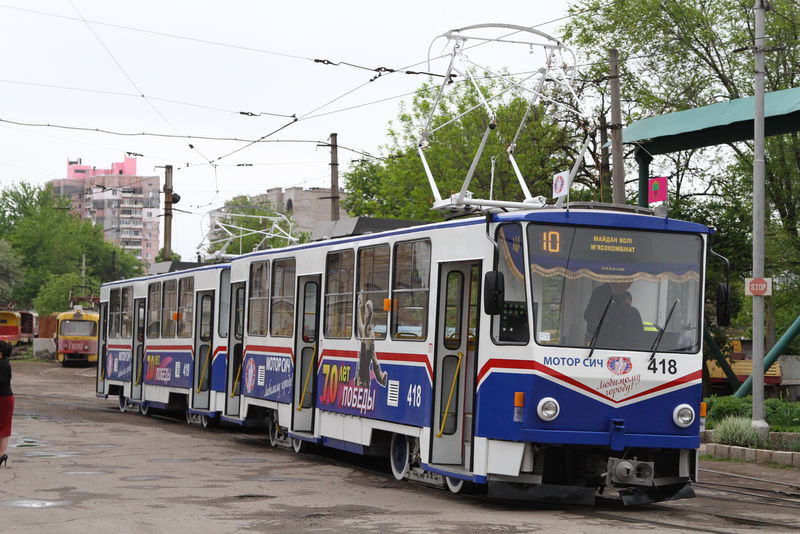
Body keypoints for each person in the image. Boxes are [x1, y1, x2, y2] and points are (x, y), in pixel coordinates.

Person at [355, 293, 387, 387]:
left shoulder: (371, 334)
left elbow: (374, 358)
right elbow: (358, 320)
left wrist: (380, 377)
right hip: (360, 377)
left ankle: (380, 379)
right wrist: (358, 305)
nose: (366, 316)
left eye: (368, 314)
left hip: (365, 378)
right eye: (365, 313)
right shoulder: (362, 328)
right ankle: (380, 379)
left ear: (371, 316)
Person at [0, 340, 14, 467]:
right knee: (4, 426)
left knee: (3, 426)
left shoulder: (2, 364)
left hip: (2, 398)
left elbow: (2, 381)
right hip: (5, 397)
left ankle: (2, 453)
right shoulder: (5, 363)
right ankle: (2, 454)